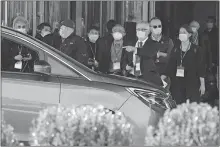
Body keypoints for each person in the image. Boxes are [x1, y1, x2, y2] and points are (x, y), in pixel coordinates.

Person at [161, 24, 206, 105]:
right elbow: (170, 66)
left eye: (184, 32)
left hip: (192, 84)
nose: (181, 34)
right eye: (180, 32)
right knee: (178, 106)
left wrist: (202, 84)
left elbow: (201, 68)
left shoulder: (197, 50)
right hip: (178, 84)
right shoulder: (175, 49)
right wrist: (162, 77)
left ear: (189, 34)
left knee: (191, 108)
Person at [124, 21, 163, 86]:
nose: (140, 31)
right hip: (131, 77)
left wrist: (135, 49)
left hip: (148, 80)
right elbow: (124, 59)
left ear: (149, 31)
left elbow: (149, 53)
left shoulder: (154, 44)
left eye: (143, 29)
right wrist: (125, 66)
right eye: (138, 29)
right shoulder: (130, 43)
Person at [150, 17, 174, 88]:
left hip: (164, 77)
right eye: (155, 26)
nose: (158, 28)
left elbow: (171, 58)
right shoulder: (146, 41)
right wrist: (164, 55)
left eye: (159, 26)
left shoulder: (168, 41)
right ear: (150, 28)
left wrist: (164, 75)